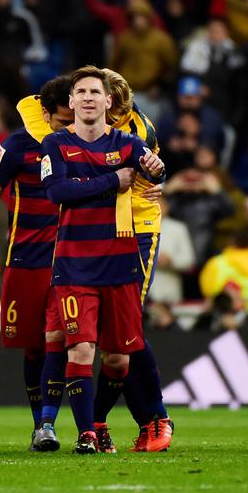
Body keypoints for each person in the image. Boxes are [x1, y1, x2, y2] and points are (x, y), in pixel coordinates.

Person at [40, 66, 165, 454]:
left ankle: (96, 420)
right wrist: (113, 181)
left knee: (119, 360)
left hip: (120, 262)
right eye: (82, 92)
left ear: (108, 102)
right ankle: (86, 434)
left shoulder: (127, 142)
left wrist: (160, 172)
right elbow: (57, 191)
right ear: (72, 101)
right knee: (80, 350)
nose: (89, 97)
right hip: (75, 263)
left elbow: (156, 171)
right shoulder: (56, 144)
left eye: (97, 92)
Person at [0, 76, 75, 451]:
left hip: (70, 258)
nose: (69, 127)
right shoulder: (17, 145)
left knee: (59, 341)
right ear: (45, 114)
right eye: (62, 121)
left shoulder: (88, 144)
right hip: (26, 259)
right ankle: (41, 425)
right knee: (35, 348)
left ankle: (52, 422)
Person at [101, 69, 173, 453]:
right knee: (110, 333)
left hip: (137, 227)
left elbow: (144, 167)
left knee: (125, 328)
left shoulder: (136, 132)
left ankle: (156, 417)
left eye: (98, 95)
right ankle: (139, 420)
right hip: (100, 228)